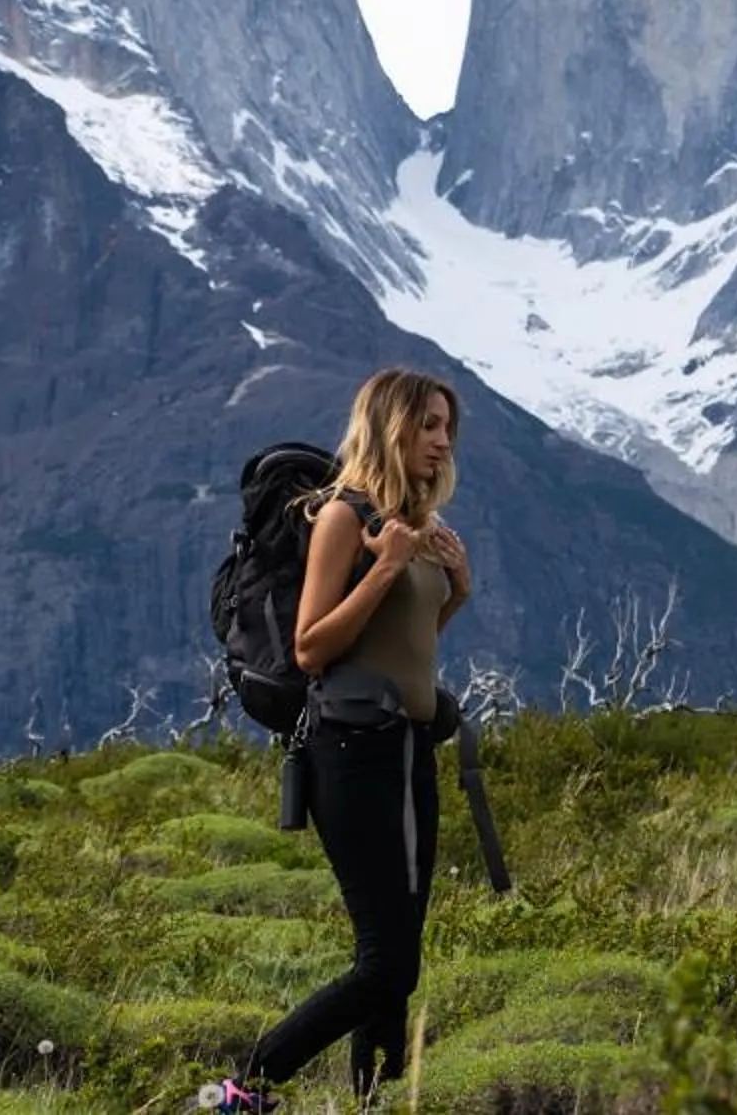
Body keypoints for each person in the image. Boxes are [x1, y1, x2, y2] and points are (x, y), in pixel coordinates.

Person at [197, 367, 470, 1112]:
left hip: (411, 750)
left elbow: (399, 647)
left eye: (447, 427)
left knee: (400, 963)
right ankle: (244, 1085)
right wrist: (384, 568)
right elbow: (314, 647)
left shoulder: (411, 523)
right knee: (384, 961)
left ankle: (370, 1101)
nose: (442, 442)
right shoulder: (343, 518)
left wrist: (456, 590)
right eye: (428, 426)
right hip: (350, 753)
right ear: (389, 426)